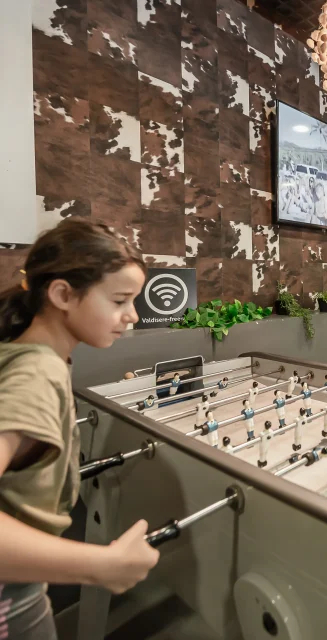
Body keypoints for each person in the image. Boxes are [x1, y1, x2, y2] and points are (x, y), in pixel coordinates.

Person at [0, 218, 159, 639]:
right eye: (120, 300)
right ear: (63, 294)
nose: (132, 315)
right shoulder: (37, 374)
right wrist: (100, 565)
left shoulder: (23, 353)